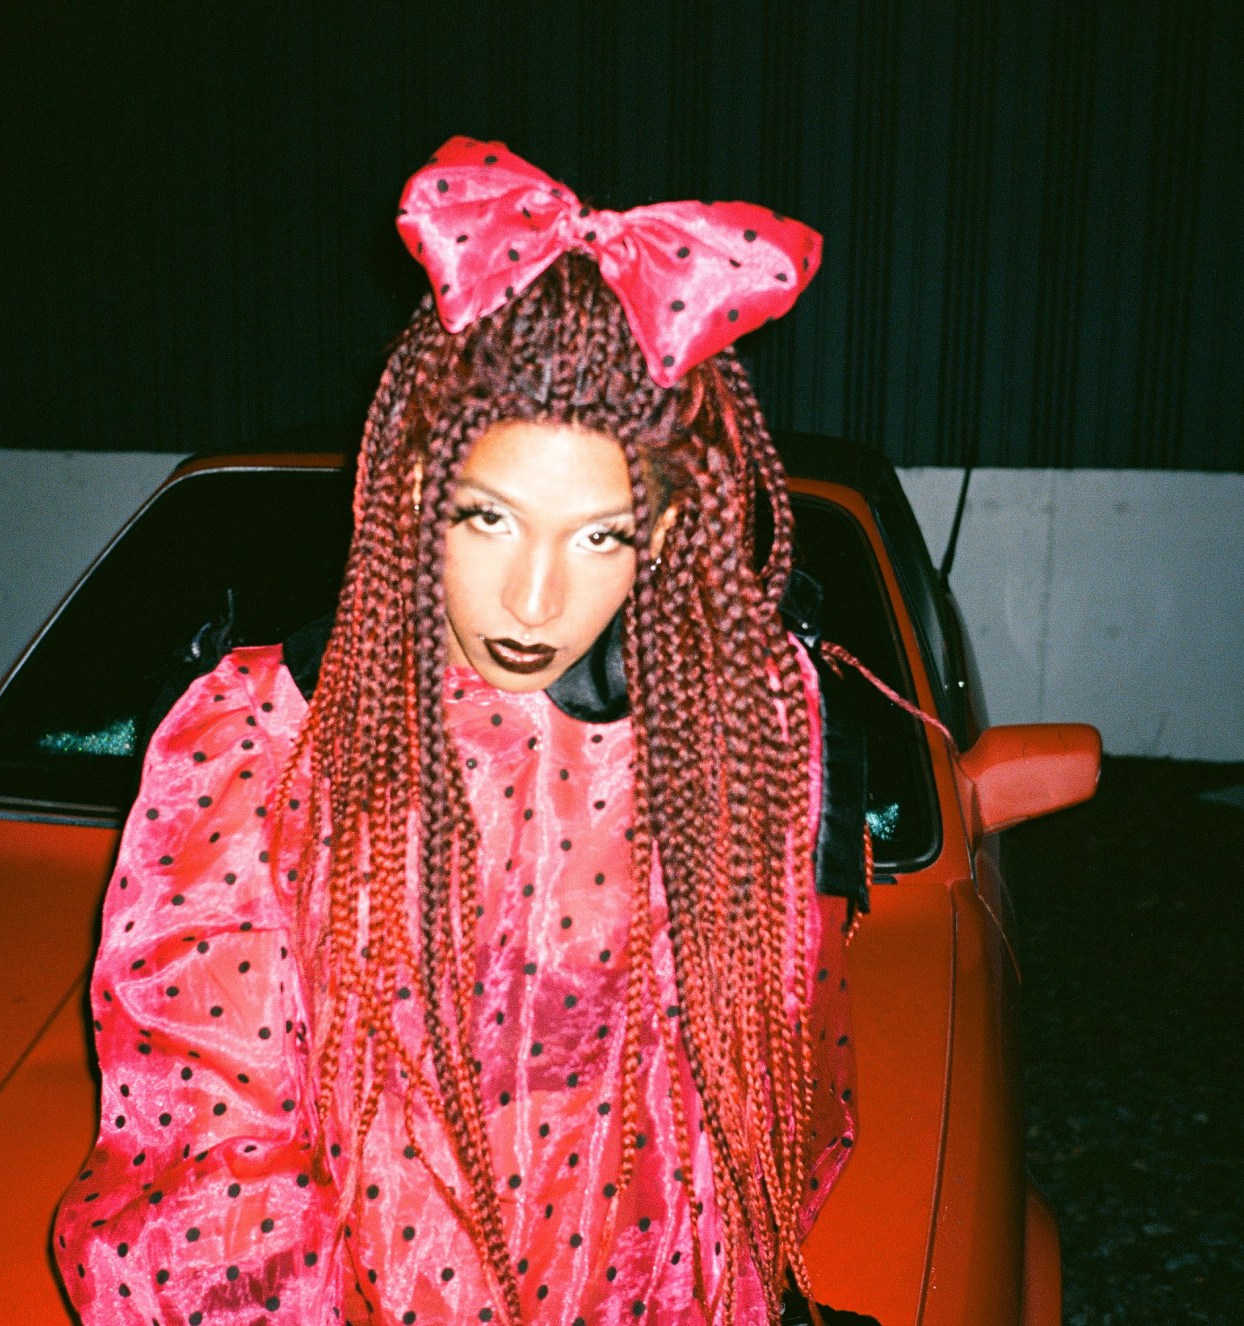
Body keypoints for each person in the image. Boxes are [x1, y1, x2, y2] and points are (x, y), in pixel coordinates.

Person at [52, 138, 863, 1326]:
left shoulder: (730, 725)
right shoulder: (268, 741)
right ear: (417, 491)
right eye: (488, 521)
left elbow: (767, 1081)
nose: (533, 600)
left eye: (602, 537)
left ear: (673, 527)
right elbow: (204, 1123)